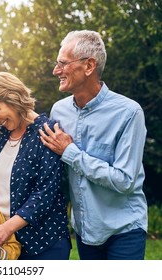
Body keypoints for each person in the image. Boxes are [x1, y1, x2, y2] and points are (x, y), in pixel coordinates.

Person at [38, 30, 148, 260]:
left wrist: (70, 152)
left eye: (63, 63)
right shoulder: (59, 111)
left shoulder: (129, 113)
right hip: (84, 232)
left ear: (88, 66)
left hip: (124, 230)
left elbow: (125, 180)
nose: (55, 71)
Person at [0, 71, 71, 260]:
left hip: (43, 244)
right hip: (6, 245)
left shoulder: (47, 132)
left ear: (13, 98)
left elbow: (45, 194)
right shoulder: (0, 135)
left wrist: (5, 229)